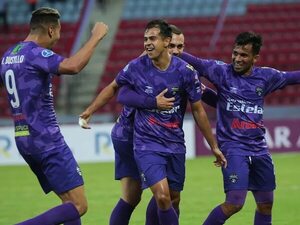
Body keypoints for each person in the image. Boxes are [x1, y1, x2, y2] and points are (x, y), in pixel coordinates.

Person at [79, 22, 220, 225]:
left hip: (169, 140)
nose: (177, 51)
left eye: (181, 47)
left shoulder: (183, 71)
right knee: (151, 197)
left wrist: (230, 107)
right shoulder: (140, 66)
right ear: (166, 42)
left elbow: (201, 98)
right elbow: (122, 93)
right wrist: (91, 110)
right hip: (131, 135)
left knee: (164, 198)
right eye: (173, 47)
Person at [0, 7, 108, 225]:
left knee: (68, 204)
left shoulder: (8, 55)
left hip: (24, 138)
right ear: (50, 29)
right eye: (58, 32)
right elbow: (73, 65)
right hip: (46, 139)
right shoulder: (34, 53)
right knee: (79, 205)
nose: (58, 38)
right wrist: (96, 37)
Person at [179, 31, 300, 225]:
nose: (237, 58)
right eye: (235, 53)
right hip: (233, 147)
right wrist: (170, 51)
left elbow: (293, 77)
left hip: (259, 148)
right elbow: (198, 63)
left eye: (244, 55)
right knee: (234, 203)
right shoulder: (221, 71)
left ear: (255, 58)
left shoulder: (266, 77)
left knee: (266, 203)